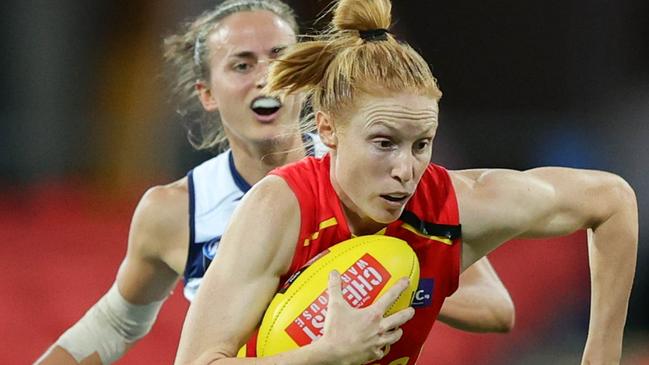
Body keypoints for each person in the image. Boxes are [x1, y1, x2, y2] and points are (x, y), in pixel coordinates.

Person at [36, 1, 515, 364]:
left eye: (280, 57)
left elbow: (496, 308)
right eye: (241, 64)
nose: (266, 78)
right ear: (206, 92)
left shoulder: (378, 170)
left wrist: (377, 281)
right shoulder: (174, 211)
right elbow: (116, 322)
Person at [174, 0, 639, 364]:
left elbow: (612, 200)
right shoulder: (279, 209)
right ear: (329, 128)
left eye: (422, 144)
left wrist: (601, 355)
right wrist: (325, 355)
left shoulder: (453, 206)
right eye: (383, 142)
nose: (405, 169)